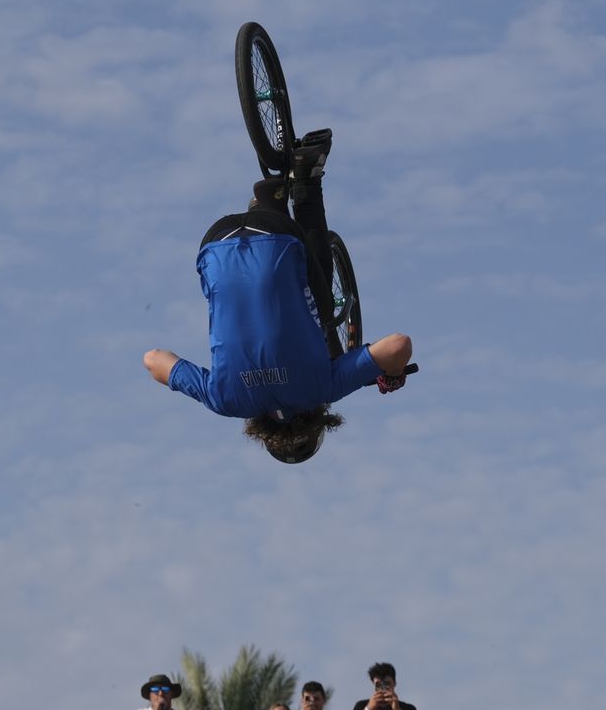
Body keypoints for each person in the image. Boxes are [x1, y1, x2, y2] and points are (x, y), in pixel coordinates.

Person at [143, 130, 415, 464]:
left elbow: (398, 344)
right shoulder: (225, 400)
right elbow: (153, 358)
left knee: (323, 305)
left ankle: (306, 178)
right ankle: (265, 206)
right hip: (215, 242)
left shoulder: (323, 388)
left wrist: (392, 372)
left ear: (318, 421)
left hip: (277, 240)